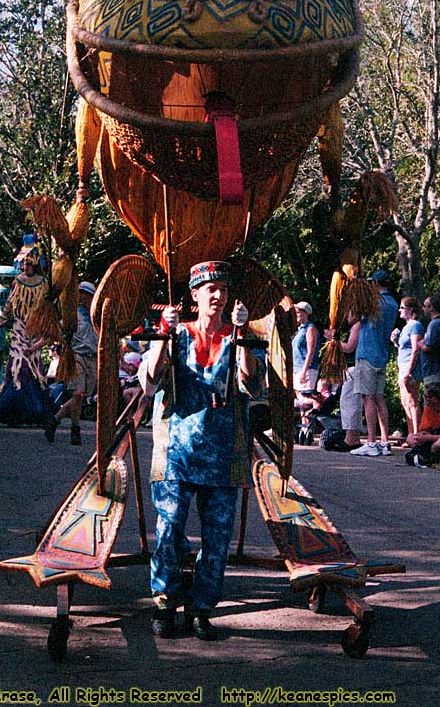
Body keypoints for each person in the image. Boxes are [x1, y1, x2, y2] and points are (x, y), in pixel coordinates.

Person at [139, 260, 266, 642]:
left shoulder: (239, 335)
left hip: (224, 452)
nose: (218, 296)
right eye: (209, 289)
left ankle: (202, 608)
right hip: (176, 449)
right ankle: (164, 602)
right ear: (194, 295)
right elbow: (150, 381)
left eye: (223, 290)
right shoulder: (175, 333)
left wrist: (242, 333)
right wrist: (164, 333)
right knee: (169, 527)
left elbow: (251, 382)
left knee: (216, 538)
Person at [0, 249, 54, 427]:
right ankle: (16, 412)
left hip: (35, 328)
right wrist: (0, 322)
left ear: (35, 265)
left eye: (30, 264)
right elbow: (10, 304)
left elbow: (47, 305)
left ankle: (34, 412)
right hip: (19, 328)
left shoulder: (43, 283)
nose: (26, 267)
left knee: (33, 367)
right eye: (24, 264)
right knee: (18, 368)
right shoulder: (17, 282)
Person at [350, 269, 399, 457]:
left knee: (367, 398)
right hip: (381, 354)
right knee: (379, 398)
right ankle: (385, 441)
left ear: (376, 283)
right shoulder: (393, 303)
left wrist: (356, 299)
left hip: (367, 353)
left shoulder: (372, 302)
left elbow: (351, 318)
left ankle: (371, 442)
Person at [44, 281, 98, 446]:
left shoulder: (98, 317)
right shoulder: (72, 315)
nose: (82, 297)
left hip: (93, 359)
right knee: (78, 393)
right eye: (80, 293)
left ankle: (55, 420)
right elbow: (57, 332)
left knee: (82, 397)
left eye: (86, 294)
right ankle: (75, 430)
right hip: (77, 356)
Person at [324, 311, 362, 449]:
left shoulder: (358, 325)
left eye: (350, 313)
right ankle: (350, 435)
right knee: (346, 401)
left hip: (353, 367)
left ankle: (351, 437)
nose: (347, 316)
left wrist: (333, 340)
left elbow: (350, 347)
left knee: (349, 401)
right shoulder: (352, 327)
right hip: (349, 368)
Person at [405, 381, 440, 466]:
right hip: (433, 435)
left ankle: (428, 458)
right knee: (410, 438)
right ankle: (421, 455)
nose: (424, 398)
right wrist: (423, 435)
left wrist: (428, 437)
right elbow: (425, 429)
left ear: (434, 399)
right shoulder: (428, 408)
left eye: (425, 396)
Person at [391, 296, 424, 437]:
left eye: (402, 308)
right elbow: (404, 347)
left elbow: (416, 348)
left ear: (410, 309)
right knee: (405, 402)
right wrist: (395, 341)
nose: (399, 310)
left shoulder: (415, 326)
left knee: (412, 401)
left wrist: (409, 372)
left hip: (410, 368)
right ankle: (411, 434)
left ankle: (417, 435)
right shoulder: (405, 327)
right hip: (402, 365)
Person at [419, 294, 440, 391]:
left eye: (424, 306)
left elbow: (428, 346)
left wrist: (419, 344)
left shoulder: (435, 324)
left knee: (432, 401)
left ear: (431, 307)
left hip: (433, 370)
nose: (422, 309)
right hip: (437, 369)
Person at [292, 301, 320, 402]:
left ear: (306, 313)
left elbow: (311, 351)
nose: (296, 315)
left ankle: (317, 403)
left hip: (307, 369)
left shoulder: (310, 329)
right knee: (300, 403)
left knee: (305, 398)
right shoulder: (300, 330)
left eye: (298, 312)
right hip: (297, 368)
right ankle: (305, 418)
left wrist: (304, 371)